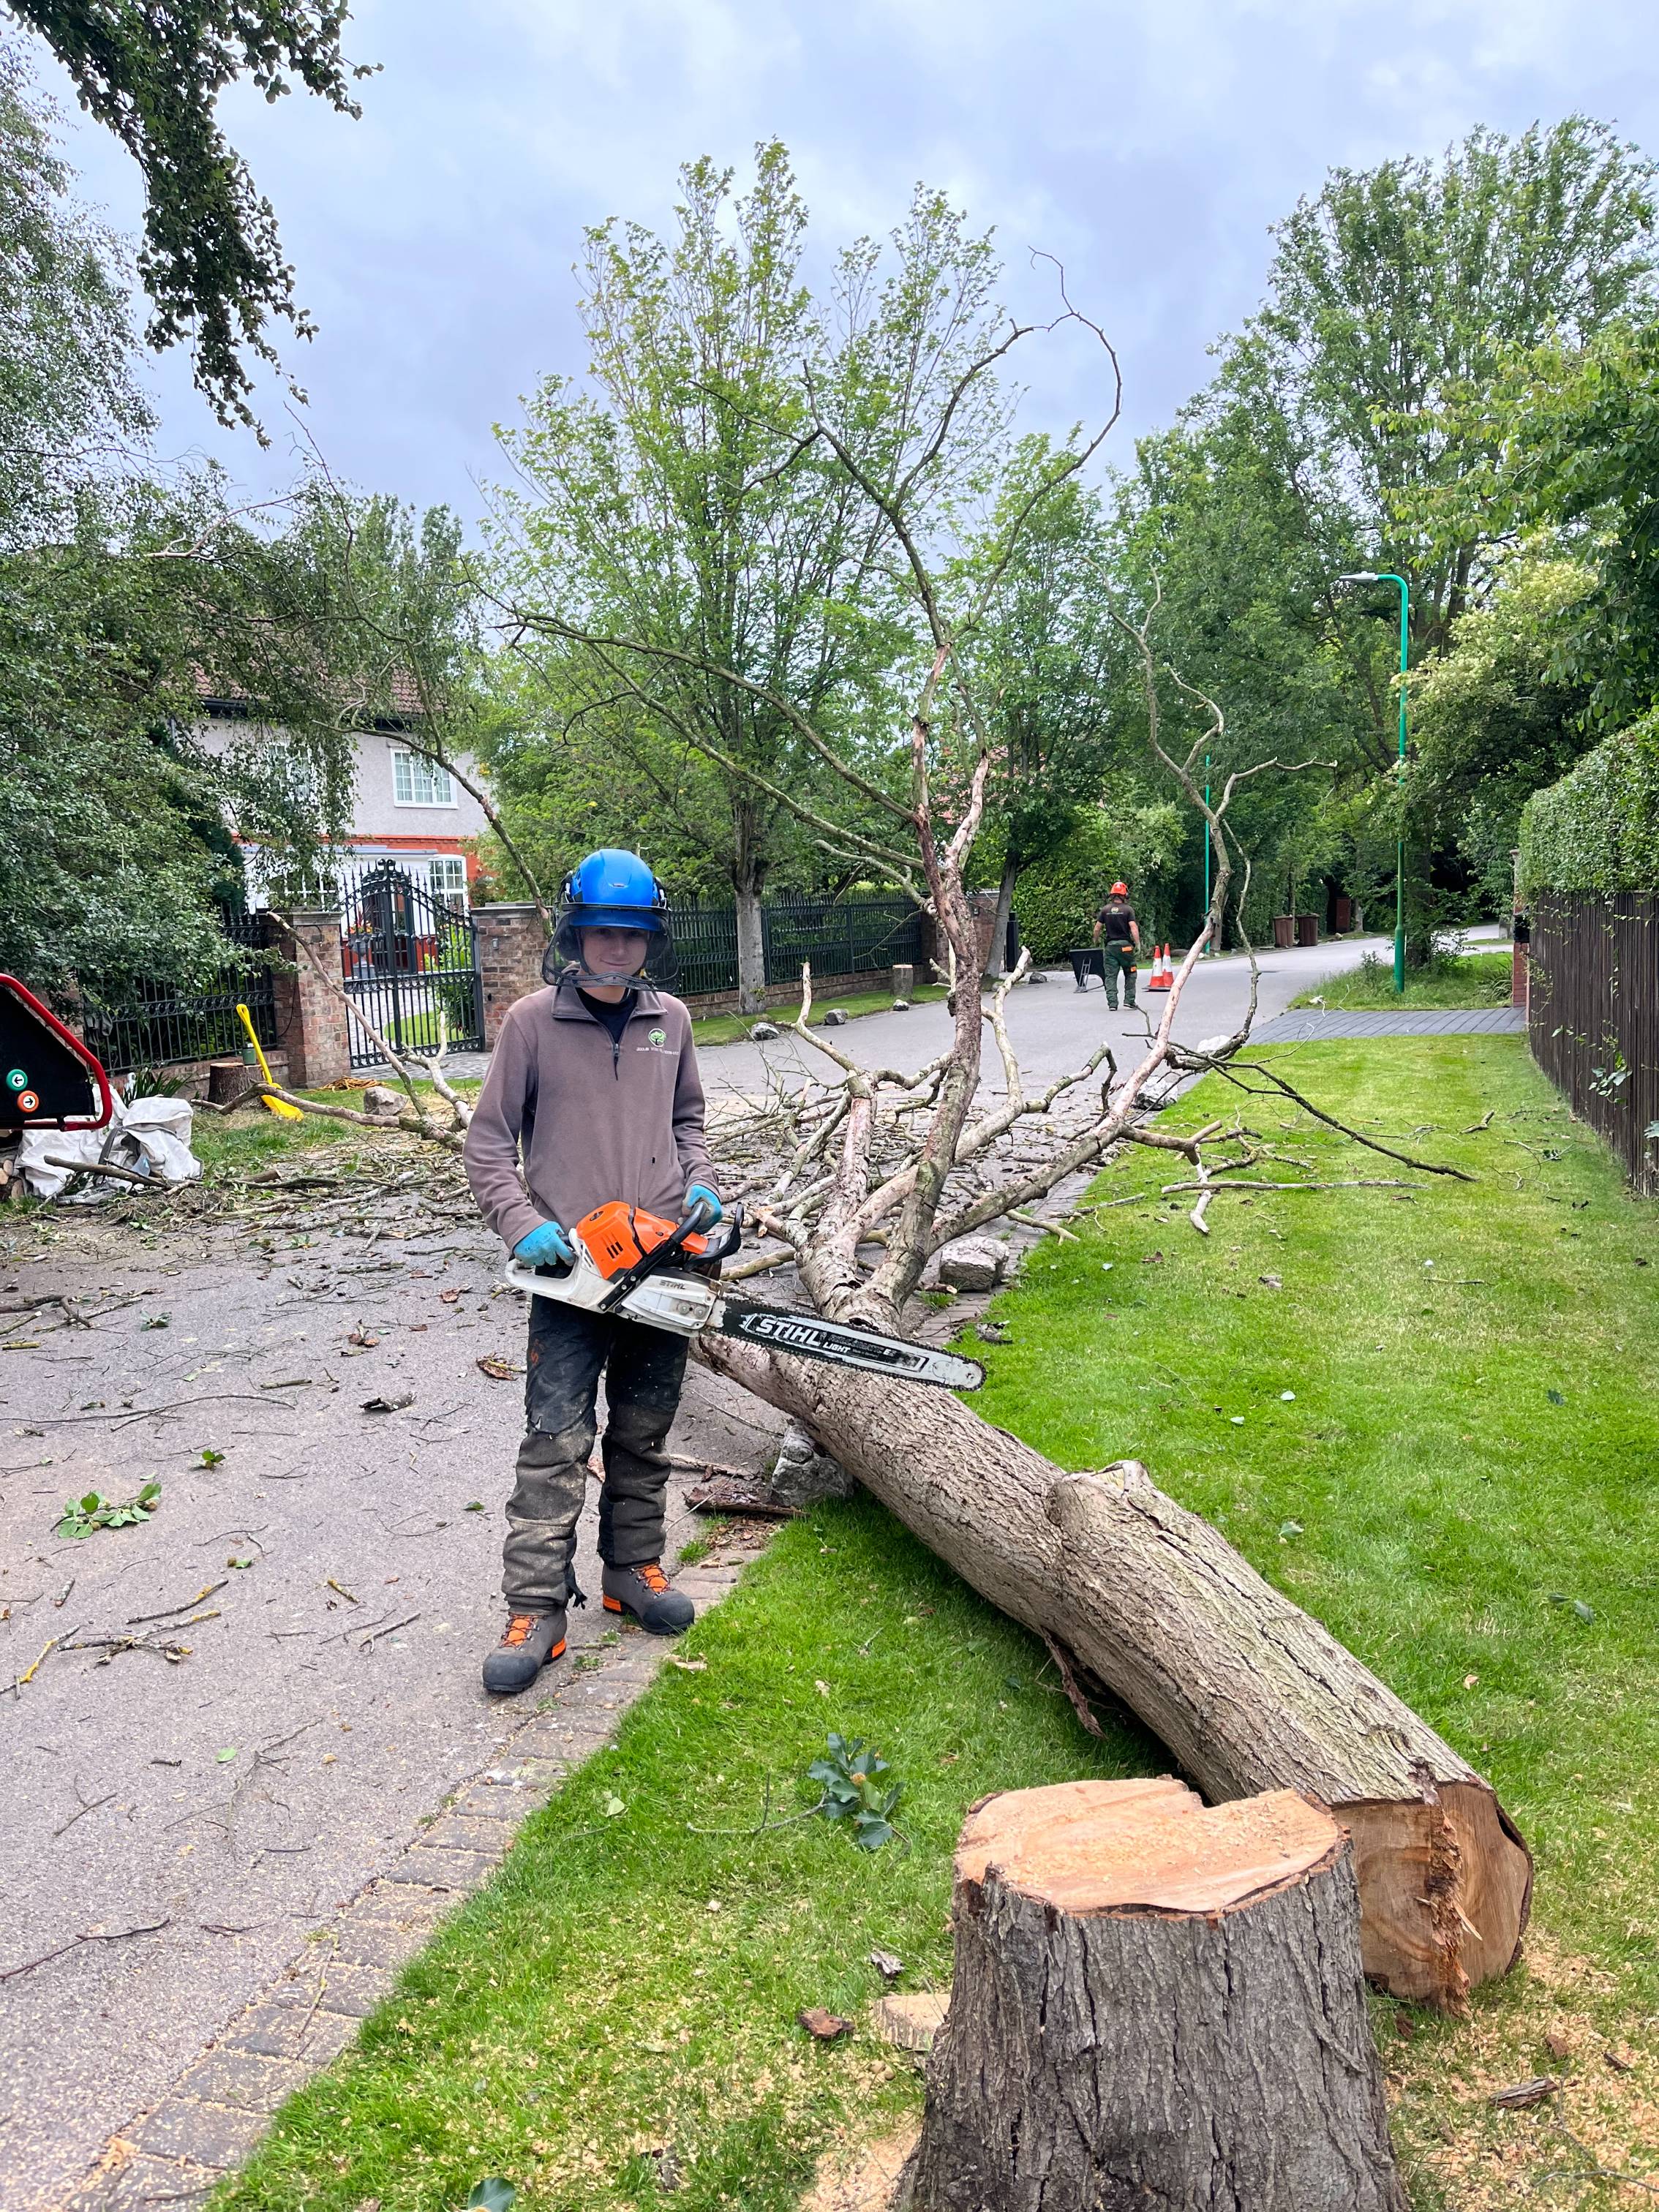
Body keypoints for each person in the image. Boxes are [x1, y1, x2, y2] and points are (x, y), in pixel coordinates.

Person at [462, 849, 722, 1696]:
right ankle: (535, 1607)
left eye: (634, 934)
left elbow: (689, 1119)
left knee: (645, 1430)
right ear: (577, 933)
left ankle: (632, 1568)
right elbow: (489, 1143)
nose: (619, 947)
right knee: (556, 1441)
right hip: (572, 1270)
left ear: (652, 939)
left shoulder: (670, 1021)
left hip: (660, 1260)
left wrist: (702, 1182)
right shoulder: (533, 1022)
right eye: (605, 932)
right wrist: (523, 1223)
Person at [1091, 881, 1142, 1011]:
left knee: (1110, 976)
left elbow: (1097, 929)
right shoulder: (1128, 910)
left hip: (1110, 948)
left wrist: (1095, 942)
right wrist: (1138, 944)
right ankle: (1129, 1001)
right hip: (1126, 948)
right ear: (1125, 895)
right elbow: (1134, 928)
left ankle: (1112, 1004)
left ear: (1112, 895)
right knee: (1131, 973)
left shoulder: (1105, 910)